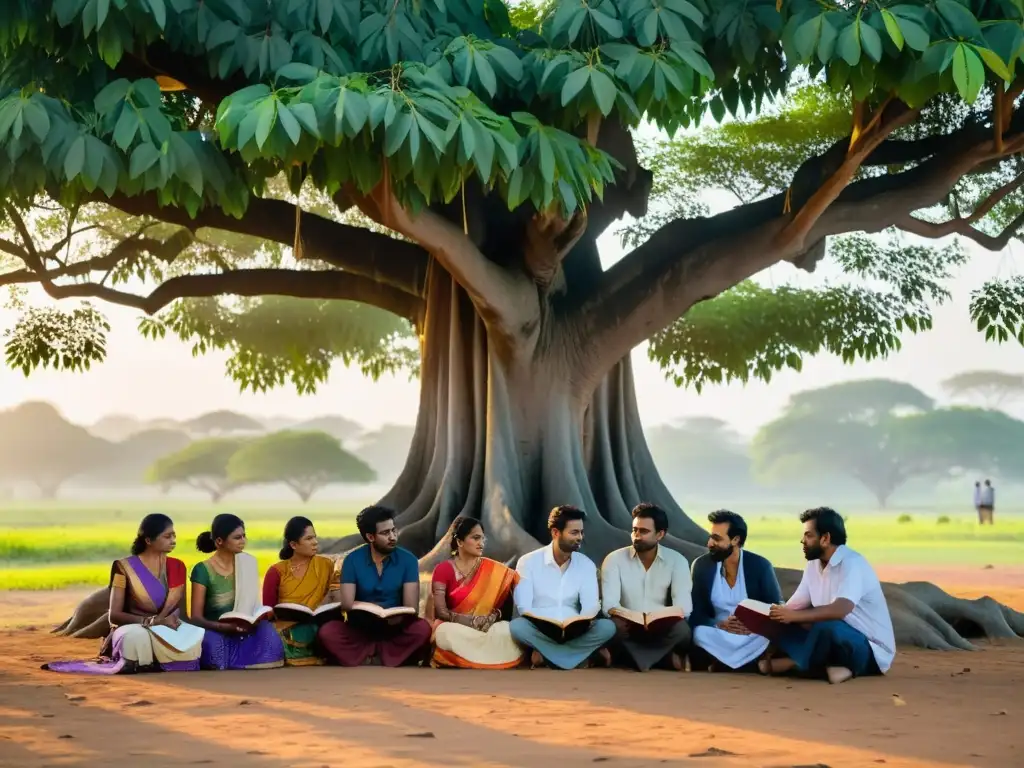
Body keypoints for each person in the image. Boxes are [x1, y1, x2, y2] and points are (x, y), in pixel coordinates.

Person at [45, 514, 204, 674]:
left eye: (174, 535)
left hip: (169, 628)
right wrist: (153, 621)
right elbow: (114, 616)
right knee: (134, 638)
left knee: (198, 637)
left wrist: (186, 628)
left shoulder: (178, 566)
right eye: (167, 536)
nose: (173, 540)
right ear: (148, 540)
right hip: (138, 627)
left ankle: (160, 660)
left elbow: (182, 613)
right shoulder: (123, 567)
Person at [763, 507, 895, 684]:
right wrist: (767, 615)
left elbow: (841, 609)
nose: (802, 541)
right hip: (829, 638)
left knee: (826, 627)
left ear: (825, 538)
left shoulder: (853, 563)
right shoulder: (813, 565)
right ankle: (833, 668)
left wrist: (794, 616)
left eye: (809, 536)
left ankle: (796, 663)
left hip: (868, 647)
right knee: (785, 624)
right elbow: (793, 607)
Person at [317, 505, 431, 666]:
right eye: (385, 533)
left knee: (422, 629)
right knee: (328, 632)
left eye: (393, 530)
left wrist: (395, 617)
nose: (392, 537)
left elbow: (412, 607)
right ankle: (385, 656)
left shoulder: (409, 560)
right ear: (370, 537)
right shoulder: (352, 560)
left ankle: (371, 655)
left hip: (395, 629)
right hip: (360, 629)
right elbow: (348, 604)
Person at [510, 505, 616, 669]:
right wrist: (546, 622)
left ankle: (546, 656)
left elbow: (591, 605)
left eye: (581, 532)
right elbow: (524, 605)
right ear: (555, 533)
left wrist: (581, 621)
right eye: (574, 533)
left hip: (575, 632)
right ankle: (579, 659)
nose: (580, 537)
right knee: (517, 627)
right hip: (541, 630)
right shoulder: (528, 562)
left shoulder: (586, 564)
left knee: (607, 627)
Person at [601, 503, 692, 671]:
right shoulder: (614, 559)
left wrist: (657, 617)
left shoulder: (677, 561)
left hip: (661, 629)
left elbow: (684, 607)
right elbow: (609, 605)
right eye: (634, 530)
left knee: (682, 630)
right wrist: (633, 617)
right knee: (611, 628)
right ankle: (663, 659)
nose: (636, 536)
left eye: (644, 531)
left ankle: (631, 660)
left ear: (660, 534)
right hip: (628, 627)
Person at [689, 510, 782, 672]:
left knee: (769, 636)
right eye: (711, 537)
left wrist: (753, 625)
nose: (710, 543)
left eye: (717, 538)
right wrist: (719, 624)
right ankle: (746, 665)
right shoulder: (701, 566)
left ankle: (725, 663)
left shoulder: (760, 566)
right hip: (719, 634)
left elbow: (775, 605)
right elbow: (696, 612)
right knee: (699, 632)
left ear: (735, 540)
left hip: (752, 635)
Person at [189, 514, 284, 670]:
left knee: (270, 639)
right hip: (216, 630)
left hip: (244, 628)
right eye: (237, 537)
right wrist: (223, 628)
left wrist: (260, 615)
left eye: (244, 536)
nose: (243, 541)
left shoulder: (248, 563)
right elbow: (196, 618)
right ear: (220, 541)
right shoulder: (203, 570)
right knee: (215, 654)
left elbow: (252, 602)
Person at [428, 516, 524, 669]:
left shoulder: (492, 569)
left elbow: (504, 607)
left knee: (506, 629)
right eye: (476, 538)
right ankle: (488, 658)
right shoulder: (443, 570)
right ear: (459, 542)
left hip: (485, 627)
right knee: (444, 633)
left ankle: (475, 659)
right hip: (456, 626)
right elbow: (441, 612)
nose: (481, 543)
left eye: (483, 539)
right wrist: (472, 621)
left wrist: (492, 617)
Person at [262, 516, 341, 666]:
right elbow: (268, 610)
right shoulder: (277, 571)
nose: (315, 542)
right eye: (309, 538)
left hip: (317, 625)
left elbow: (335, 597)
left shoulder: (327, 566)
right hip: (284, 630)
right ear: (293, 544)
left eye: (315, 537)